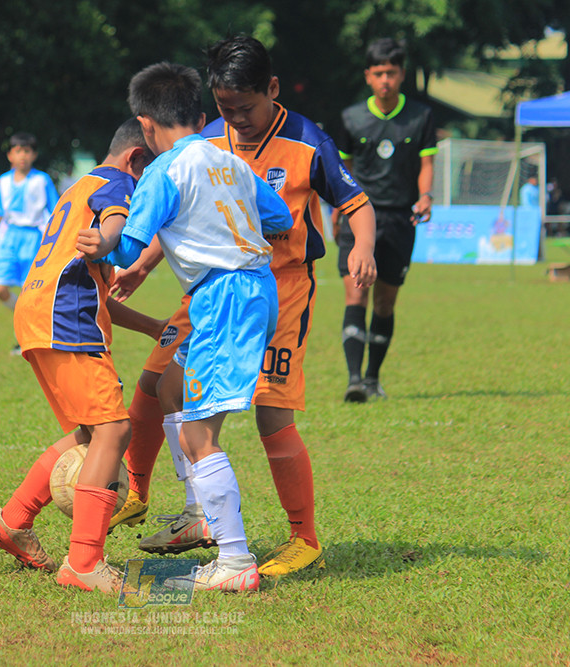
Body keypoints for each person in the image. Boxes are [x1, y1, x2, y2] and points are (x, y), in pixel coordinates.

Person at [111, 35, 377, 577]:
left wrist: (364, 248)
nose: (236, 120)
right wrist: (142, 266)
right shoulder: (208, 141)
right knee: (158, 383)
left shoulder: (307, 141)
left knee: (270, 411)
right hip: (210, 288)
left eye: (245, 108)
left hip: (279, 288)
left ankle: (303, 537)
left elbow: (356, 202)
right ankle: (182, 508)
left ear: (272, 89)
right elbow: (184, 213)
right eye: (225, 109)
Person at [82, 62, 293, 592]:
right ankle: (200, 513)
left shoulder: (163, 171)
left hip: (225, 299)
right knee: (170, 387)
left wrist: (101, 244)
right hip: (255, 289)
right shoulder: (228, 159)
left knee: (200, 435)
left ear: (144, 125)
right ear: (199, 118)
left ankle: (235, 562)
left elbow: (127, 246)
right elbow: (280, 218)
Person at [0, 119, 158, 594]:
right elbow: (114, 224)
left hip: (38, 312)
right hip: (66, 318)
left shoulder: (77, 188)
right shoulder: (118, 182)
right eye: (150, 175)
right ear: (136, 159)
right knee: (115, 431)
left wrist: (154, 327)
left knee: (91, 434)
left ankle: (13, 520)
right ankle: (84, 562)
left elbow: (96, 290)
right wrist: (114, 236)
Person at [332, 38, 437, 402]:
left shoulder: (421, 116)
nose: (385, 80)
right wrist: (338, 209)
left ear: (402, 74)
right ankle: (354, 381)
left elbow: (426, 163)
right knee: (356, 293)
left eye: (391, 73)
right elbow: (343, 169)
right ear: (368, 76)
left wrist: (426, 196)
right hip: (358, 216)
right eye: (378, 73)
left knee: (385, 302)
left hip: (399, 219)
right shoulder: (351, 118)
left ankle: (373, 378)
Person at [0, 132, 60, 353]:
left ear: (34, 155)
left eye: (27, 151)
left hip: (34, 238)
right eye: (18, 151)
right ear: (10, 155)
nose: (22, 156)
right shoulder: (3, 181)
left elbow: (56, 211)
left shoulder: (42, 180)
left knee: (29, 292)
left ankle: (25, 339)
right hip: (10, 238)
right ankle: (24, 317)